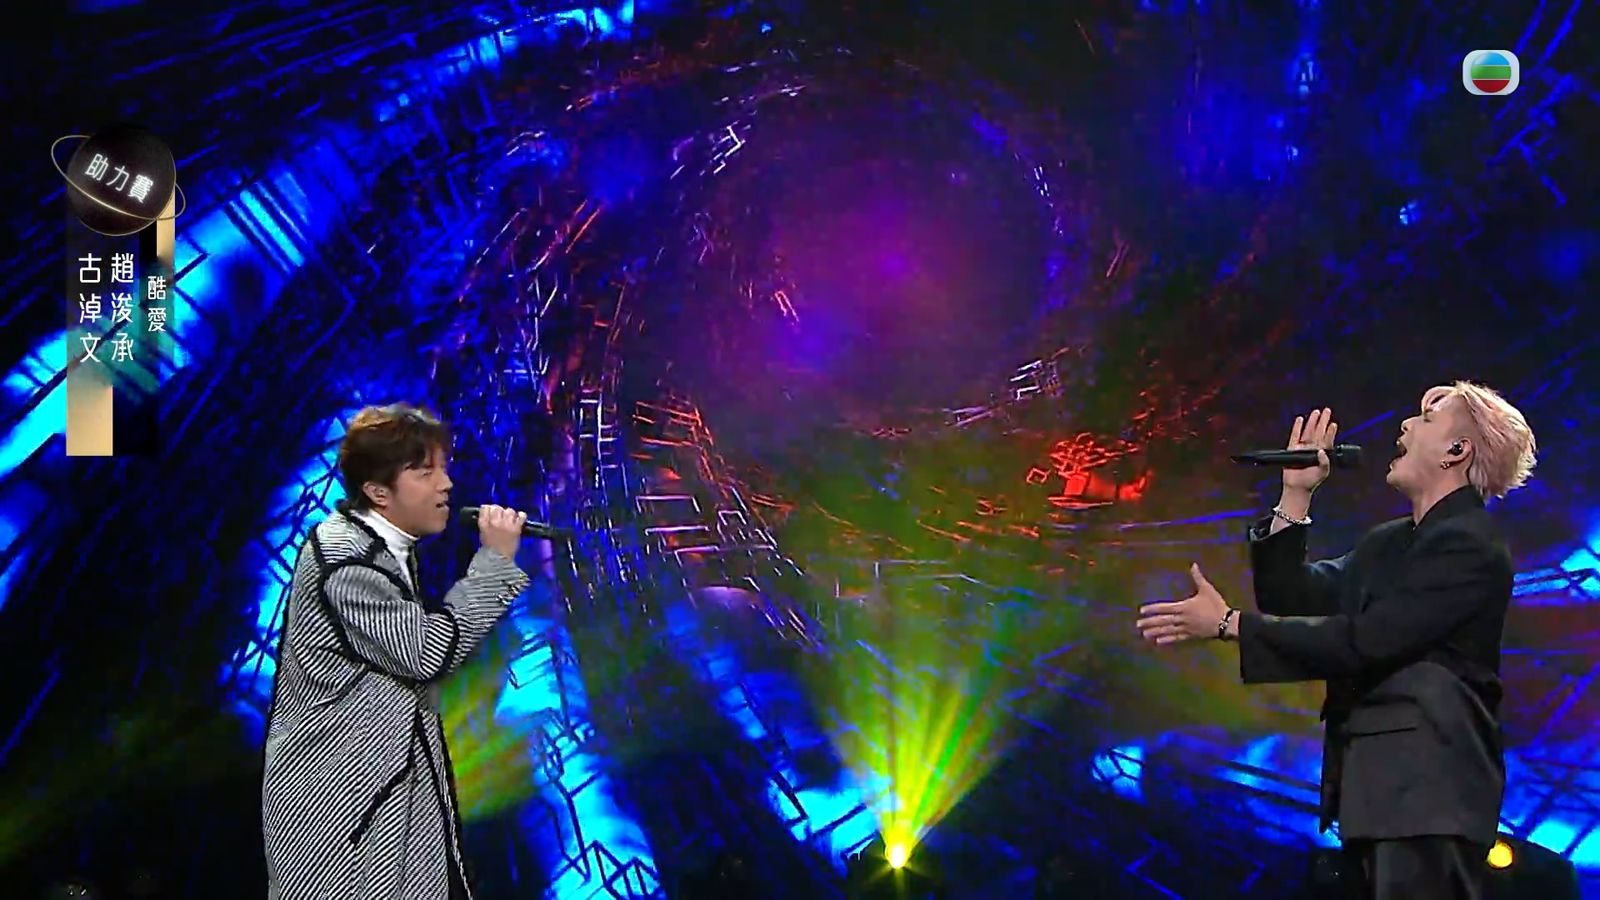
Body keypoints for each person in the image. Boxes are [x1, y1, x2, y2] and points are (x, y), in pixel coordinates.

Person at [1136, 382, 1537, 899]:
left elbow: (1369, 640)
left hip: (1429, 792)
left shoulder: (1471, 545)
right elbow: (1290, 595)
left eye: (1426, 419)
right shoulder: (1388, 543)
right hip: (1373, 792)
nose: (1405, 425)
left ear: (1457, 450)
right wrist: (1296, 494)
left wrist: (1230, 624)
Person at [262, 403, 532, 900]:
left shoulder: (383, 548)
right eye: (425, 473)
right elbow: (428, 653)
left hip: (380, 803)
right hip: (341, 819)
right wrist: (495, 562)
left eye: (443, 468)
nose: (446, 484)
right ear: (378, 491)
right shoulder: (349, 562)